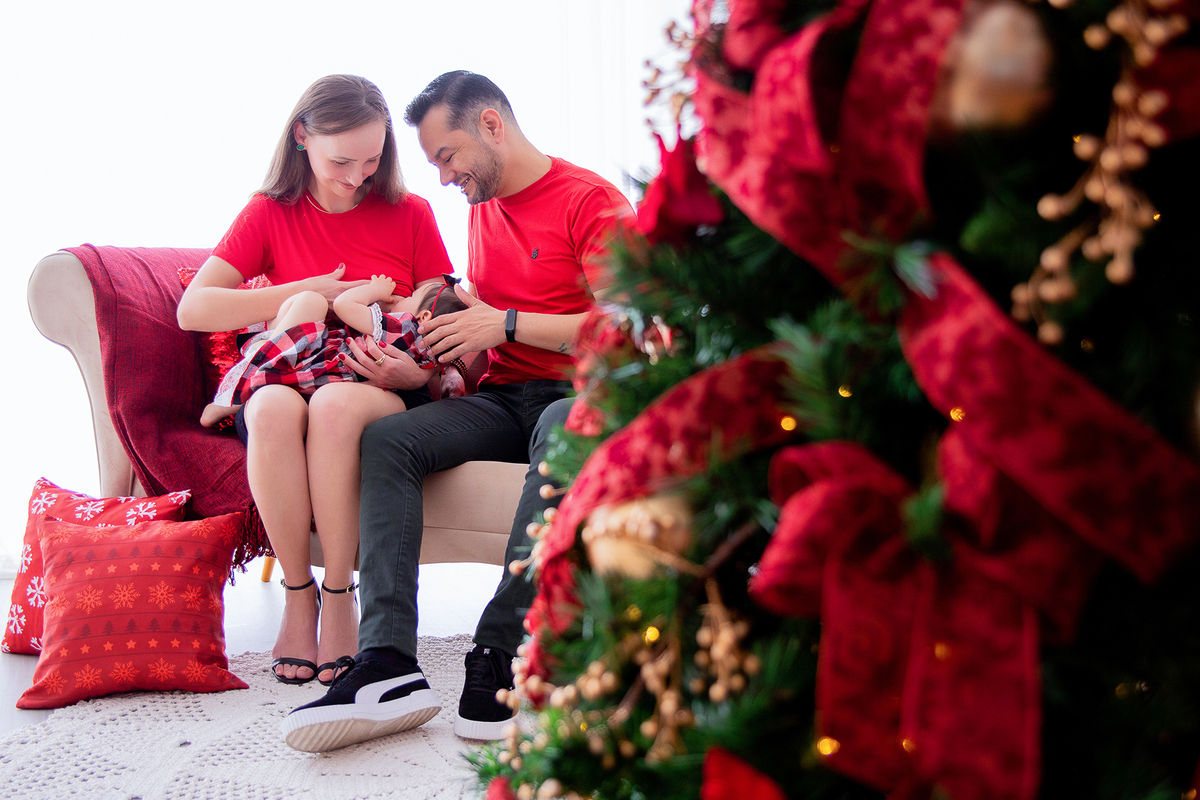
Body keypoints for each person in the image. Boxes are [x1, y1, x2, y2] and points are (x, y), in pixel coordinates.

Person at [281, 70, 634, 752]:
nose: (443, 177)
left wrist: (503, 322)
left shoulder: (591, 203)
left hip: (580, 398)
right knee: (388, 439)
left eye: (448, 156)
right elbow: (487, 321)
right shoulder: (484, 205)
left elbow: (628, 325)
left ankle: (501, 652)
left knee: (565, 426)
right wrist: (439, 335)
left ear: (492, 127)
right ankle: (387, 662)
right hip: (504, 398)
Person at [177, 74, 458, 688]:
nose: (358, 175)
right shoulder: (269, 212)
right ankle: (297, 594)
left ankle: (339, 594)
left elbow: (440, 310)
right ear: (301, 136)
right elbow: (193, 309)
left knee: (332, 405)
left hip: (376, 378)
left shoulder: (410, 213)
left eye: (373, 158)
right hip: (291, 368)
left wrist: (424, 368)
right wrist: (309, 294)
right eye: (341, 160)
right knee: (273, 409)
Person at [200, 274, 469, 428]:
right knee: (300, 305)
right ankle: (264, 346)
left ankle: (238, 388)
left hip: (323, 363)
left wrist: (372, 291)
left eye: (409, 298)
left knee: (310, 301)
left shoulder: (404, 328)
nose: (401, 299)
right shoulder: (427, 354)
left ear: (422, 316)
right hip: (335, 380)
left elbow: (343, 305)